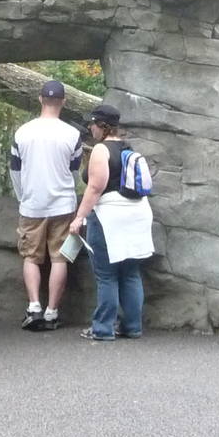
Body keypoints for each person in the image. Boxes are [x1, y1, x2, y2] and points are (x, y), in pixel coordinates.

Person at [70, 104, 153, 341]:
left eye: (93, 123)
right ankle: (132, 327)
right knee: (130, 273)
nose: (90, 127)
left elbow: (96, 187)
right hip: (137, 214)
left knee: (106, 274)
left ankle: (103, 328)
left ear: (102, 126)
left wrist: (79, 217)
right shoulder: (128, 147)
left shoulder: (100, 150)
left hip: (110, 216)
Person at [9, 79, 83, 331]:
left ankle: (33, 308)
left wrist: (23, 196)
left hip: (32, 205)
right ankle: (52, 311)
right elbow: (74, 172)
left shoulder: (22, 132)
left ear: (40, 99)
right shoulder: (72, 135)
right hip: (63, 205)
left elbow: (15, 171)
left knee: (31, 257)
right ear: (63, 101)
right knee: (60, 259)